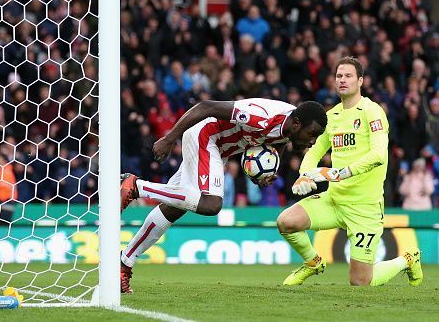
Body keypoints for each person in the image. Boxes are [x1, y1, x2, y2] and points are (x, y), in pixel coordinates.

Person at [119, 97, 328, 293]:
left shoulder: (289, 126)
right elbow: (206, 107)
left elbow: (278, 141)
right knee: (211, 204)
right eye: (312, 135)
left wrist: (269, 170)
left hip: (221, 150)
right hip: (206, 135)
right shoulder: (262, 116)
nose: (313, 141)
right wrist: (170, 138)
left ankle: (124, 263)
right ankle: (137, 186)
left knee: (174, 207)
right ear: (297, 124)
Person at [277, 56, 423, 287]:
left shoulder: (372, 112)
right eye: (338, 76)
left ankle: (407, 259)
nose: (342, 80)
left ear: (361, 80)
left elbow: (379, 155)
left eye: (348, 76)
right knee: (286, 221)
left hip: (364, 207)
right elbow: (314, 152)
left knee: (360, 281)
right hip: (334, 201)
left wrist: (339, 174)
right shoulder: (332, 116)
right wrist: (304, 174)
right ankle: (313, 262)